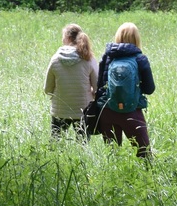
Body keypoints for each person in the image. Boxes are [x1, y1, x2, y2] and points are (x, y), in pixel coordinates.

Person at [95, 22, 156, 158]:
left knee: (113, 155)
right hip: (132, 111)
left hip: (107, 111)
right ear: (136, 38)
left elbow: (99, 86)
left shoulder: (107, 57)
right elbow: (149, 89)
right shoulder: (140, 59)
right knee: (144, 155)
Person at [44, 23, 98, 139]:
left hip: (59, 112)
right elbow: (97, 88)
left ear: (68, 38)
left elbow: (47, 89)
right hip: (83, 111)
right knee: (83, 145)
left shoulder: (55, 59)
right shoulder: (88, 58)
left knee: (56, 144)